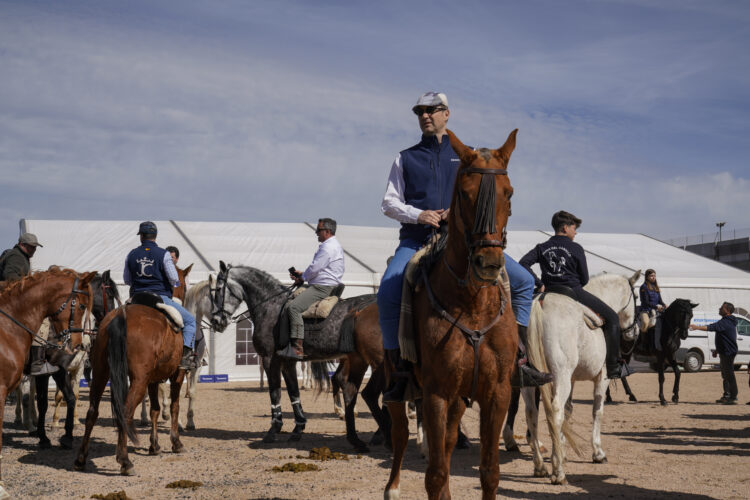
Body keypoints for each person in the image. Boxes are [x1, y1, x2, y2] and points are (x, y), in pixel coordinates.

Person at [377, 91, 551, 403]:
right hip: (418, 239)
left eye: (433, 110)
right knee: (388, 291)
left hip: (467, 242)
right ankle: (400, 371)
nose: (426, 116)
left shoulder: (470, 156)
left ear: (447, 114)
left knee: (524, 282)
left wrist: (456, 215)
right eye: (421, 112)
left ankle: (519, 361)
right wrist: (419, 214)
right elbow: (389, 202)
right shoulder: (405, 157)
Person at [520, 210, 625, 379]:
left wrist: (539, 283)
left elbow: (523, 263)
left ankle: (522, 361)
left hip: (548, 292)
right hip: (573, 292)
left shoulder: (542, 247)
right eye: (574, 228)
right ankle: (613, 367)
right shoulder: (576, 248)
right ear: (565, 227)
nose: (575, 232)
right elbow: (584, 279)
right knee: (612, 317)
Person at [123, 221, 197, 370]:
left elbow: (127, 280)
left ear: (141, 237)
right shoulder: (164, 254)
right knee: (190, 322)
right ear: (155, 236)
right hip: (159, 298)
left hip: (136, 299)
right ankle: (185, 359)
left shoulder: (131, 254)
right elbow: (174, 278)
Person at [278, 218, 345, 360]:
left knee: (293, 308)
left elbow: (315, 267)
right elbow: (319, 269)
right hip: (324, 283)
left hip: (322, 288)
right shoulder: (333, 245)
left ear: (327, 231)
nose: (316, 233)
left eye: (319, 230)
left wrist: (303, 278)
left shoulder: (328, 247)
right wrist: (303, 275)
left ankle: (297, 347)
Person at [0, 233, 58, 375]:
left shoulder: (18, 256)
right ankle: (36, 364)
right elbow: (11, 278)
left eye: (35, 247)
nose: (34, 250)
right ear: (22, 245)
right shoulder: (16, 257)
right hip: (9, 300)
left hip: (8, 299)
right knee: (43, 323)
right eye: (32, 247)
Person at [690, 302, 738, 404]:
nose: (719, 308)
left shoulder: (727, 322)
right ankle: (727, 395)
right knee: (725, 375)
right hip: (725, 351)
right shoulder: (726, 321)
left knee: (729, 375)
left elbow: (712, 327)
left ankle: (733, 397)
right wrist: (717, 350)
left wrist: (697, 327)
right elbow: (724, 338)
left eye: (722, 307)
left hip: (728, 352)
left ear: (727, 310)